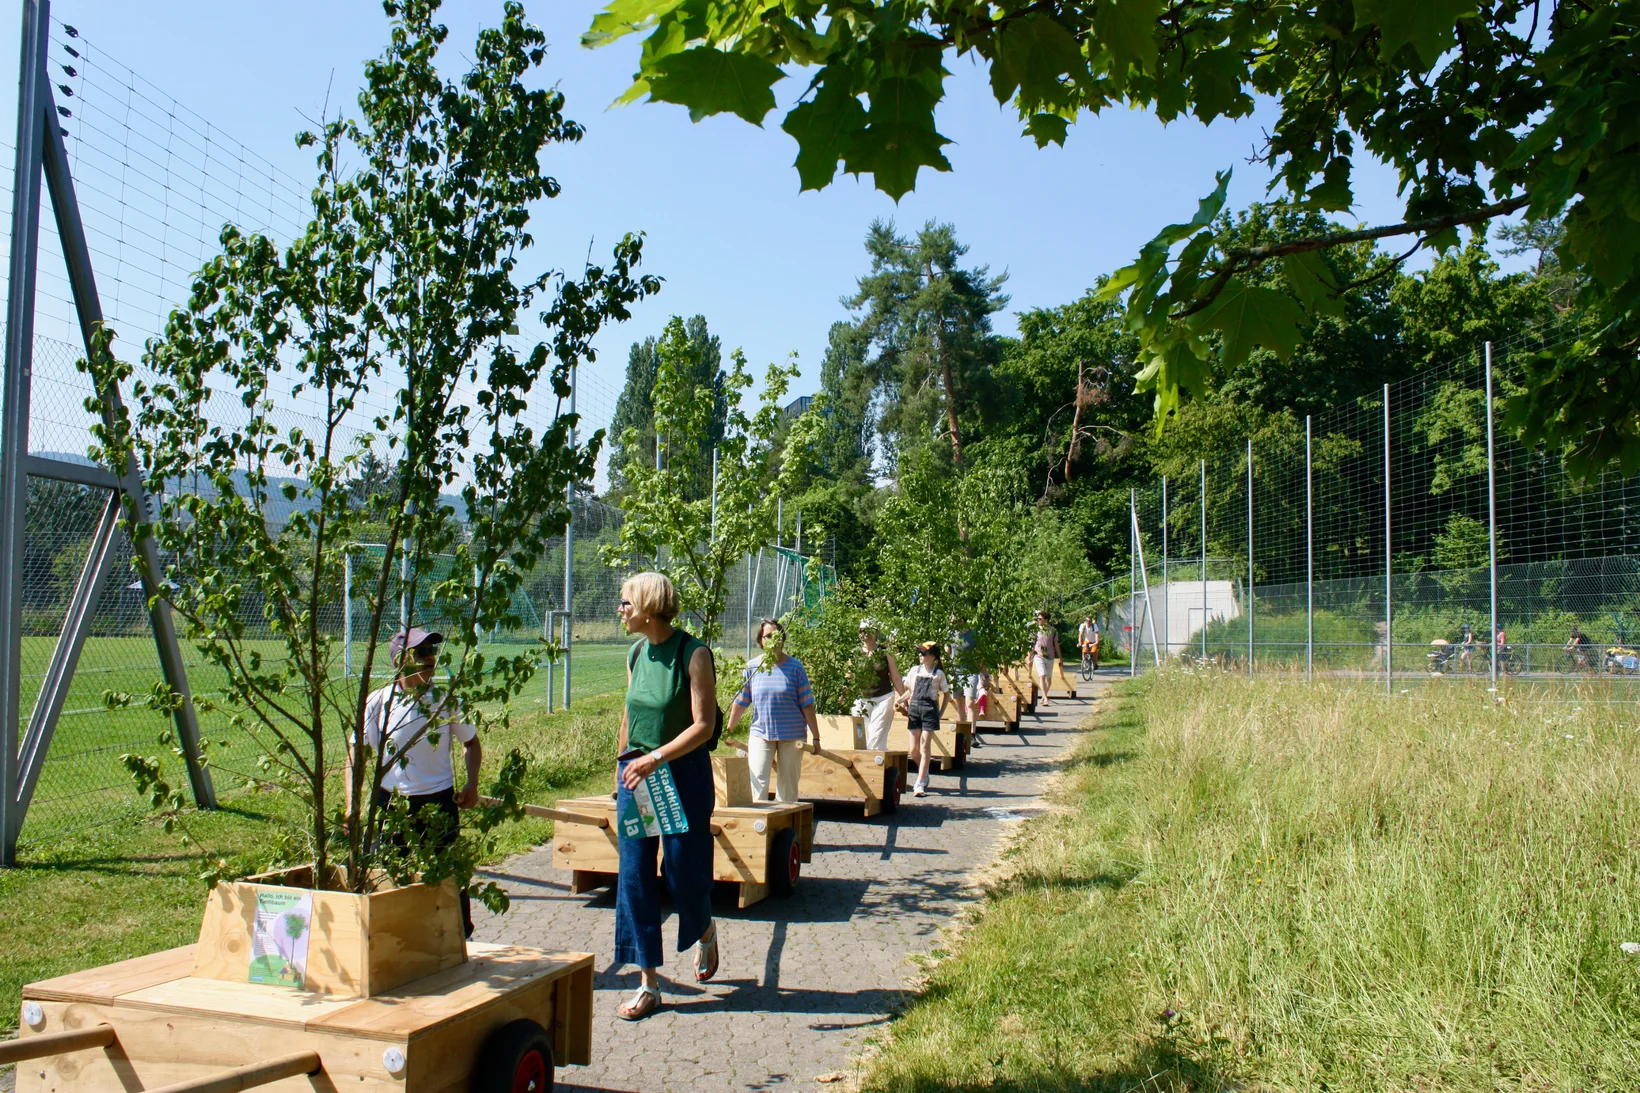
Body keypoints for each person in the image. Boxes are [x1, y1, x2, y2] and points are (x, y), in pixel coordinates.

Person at [612, 572, 720, 1021]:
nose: (620, 610)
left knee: (681, 873)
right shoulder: (636, 653)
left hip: (680, 777)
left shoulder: (693, 654)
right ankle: (648, 983)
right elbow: (629, 712)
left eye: (625, 603)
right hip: (636, 776)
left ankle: (704, 928)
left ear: (648, 606)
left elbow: (704, 726)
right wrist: (619, 768)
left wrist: (655, 758)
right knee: (635, 875)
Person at [346, 626, 482, 939]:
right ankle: (401, 941)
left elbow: (471, 744)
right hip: (391, 807)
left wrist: (471, 784)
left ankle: (459, 940)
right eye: (421, 653)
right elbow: (356, 757)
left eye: (432, 651)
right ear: (400, 661)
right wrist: (352, 806)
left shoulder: (445, 701)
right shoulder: (379, 702)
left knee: (448, 879)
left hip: (439, 801)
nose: (430, 658)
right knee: (392, 878)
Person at [727, 618, 821, 802]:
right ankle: (760, 826)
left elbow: (807, 705)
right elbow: (741, 702)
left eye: (776, 635)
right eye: (768, 636)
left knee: (787, 787)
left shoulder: (795, 667)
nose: (772, 640)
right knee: (757, 783)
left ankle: (784, 826)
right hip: (761, 733)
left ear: (783, 638)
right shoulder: (752, 667)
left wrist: (816, 737)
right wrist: (729, 729)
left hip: (792, 736)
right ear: (760, 640)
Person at [896, 641, 950, 797]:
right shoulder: (914, 670)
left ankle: (919, 783)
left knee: (925, 746)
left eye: (923, 653)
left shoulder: (938, 674)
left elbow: (947, 695)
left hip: (930, 711)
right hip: (914, 709)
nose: (920, 655)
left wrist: (940, 714)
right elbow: (910, 691)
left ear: (932, 657)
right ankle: (924, 772)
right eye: (919, 653)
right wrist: (900, 701)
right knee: (913, 750)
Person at [853, 620, 904, 750]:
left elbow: (896, 678)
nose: (865, 634)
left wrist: (904, 699)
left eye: (869, 630)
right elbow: (849, 678)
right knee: (861, 738)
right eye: (862, 631)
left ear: (876, 632)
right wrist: (842, 696)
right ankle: (873, 766)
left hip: (883, 698)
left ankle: (877, 765)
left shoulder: (885, 652)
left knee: (876, 737)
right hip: (861, 701)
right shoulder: (855, 653)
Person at [948, 616, 983, 742]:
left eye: (954, 622)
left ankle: (972, 734)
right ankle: (962, 733)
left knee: (970, 702)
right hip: (955, 672)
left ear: (962, 621)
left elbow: (979, 654)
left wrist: (983, 673)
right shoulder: (951, 633)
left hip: (970, 672)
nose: (952, 624)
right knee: (959, 702)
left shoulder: (973, 635)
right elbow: (948, 649)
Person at [1030, 611, 1062, 708]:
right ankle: (1045, 698)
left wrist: (1060, 657)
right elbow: (1032, 644)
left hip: (1050, 656)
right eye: (1038, 619)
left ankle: (1044, 696)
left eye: (1040, 619)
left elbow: (1056, 644)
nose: (1038, 620)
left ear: (1046, 620)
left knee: (1049, 679)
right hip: (1038, 656)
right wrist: (1029, 657)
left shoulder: (1052, 631)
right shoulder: (1035, 630)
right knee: (1042, 676)